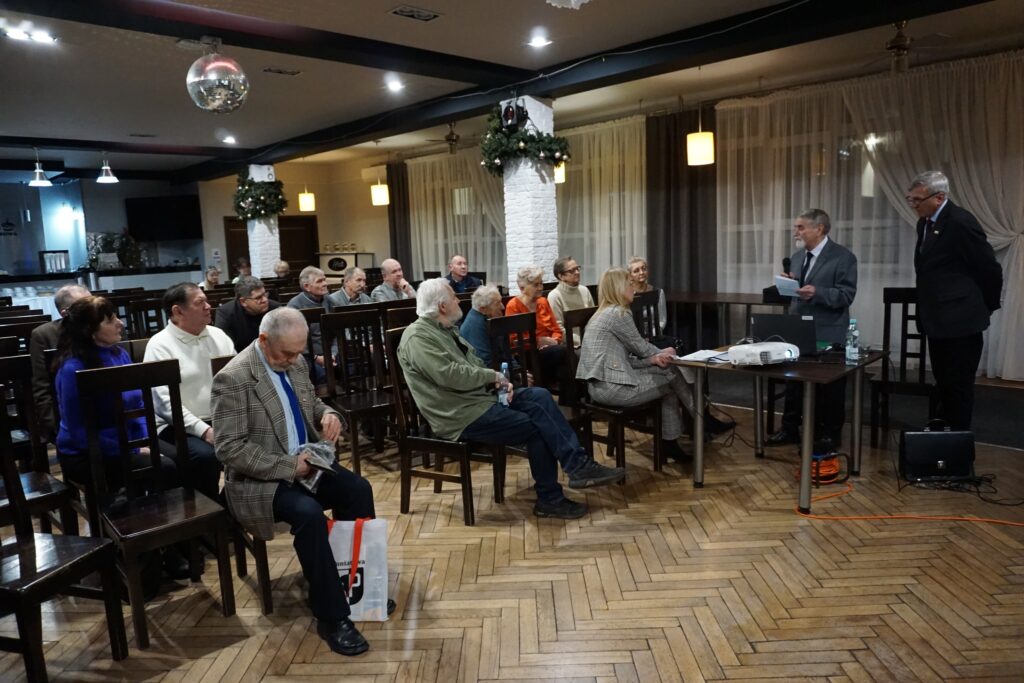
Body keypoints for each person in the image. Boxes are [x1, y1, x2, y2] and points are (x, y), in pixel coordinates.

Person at [210, 307, 377, 656]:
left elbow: (311, 403)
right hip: (259, 478)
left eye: (298, 352)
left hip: (305, 463)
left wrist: (328, 414)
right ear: (263, 340)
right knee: (309, 514)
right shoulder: (234, 378)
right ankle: (332, 616)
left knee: (358, 490)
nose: (293, 360)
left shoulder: (295, 361)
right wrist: (289, 466)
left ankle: (354, 584)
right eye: (286, 354)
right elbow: (229, 449)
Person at [397, 279, 625, 519]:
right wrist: (492, 376)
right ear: (442, 306)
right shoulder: (418, 338)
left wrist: (500, 382)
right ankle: (550, 499)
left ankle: (578, 465)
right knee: (537, 427)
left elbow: (474, 362)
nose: (458, 300)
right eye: (454, 297)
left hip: (479, 398)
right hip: (459, 415)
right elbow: (450, 376)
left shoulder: (445, 329)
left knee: (540, 395)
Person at [54, 295, 189, 585]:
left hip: (128, 441)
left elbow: (138, 405)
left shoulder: (118, 354)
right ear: (90, 331)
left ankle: (164, 540)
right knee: (161, 468)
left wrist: (144, 440)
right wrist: (133, 450)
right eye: (110, 319)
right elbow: (79, 432)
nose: (120, 323)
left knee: (179, 457)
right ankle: (145, 552)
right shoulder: (72, 368)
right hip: (87, 453)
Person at [908, 171, 1002, 430]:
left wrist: (986, 305)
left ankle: (959, 441)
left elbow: (989, 267)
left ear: (939, 197)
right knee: (944, 382)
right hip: (937, 318)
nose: (913, 205)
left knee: (958, 385)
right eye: (910, 199)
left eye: (918, 200)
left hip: (961, 319)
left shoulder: (960, 221)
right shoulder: (924, 223)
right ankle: (943, 435)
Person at [576, 268, 699, 464]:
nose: (633, 288)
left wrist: (653, 360)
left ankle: (685, 429)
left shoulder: (601, 314)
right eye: (629, 284)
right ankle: (697, 418)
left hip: (599, 387)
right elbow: (641, 348)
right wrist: (663, 353)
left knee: (666, 370)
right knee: (670, 375)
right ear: (618, 287)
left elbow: (623, 360)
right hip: (613, 388)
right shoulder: (618, 313)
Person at [767, 209, 857, 448]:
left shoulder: (843, 257)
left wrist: (818, 292)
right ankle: (790, 429)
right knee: (793, 382)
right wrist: (787, 285)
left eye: (800, 227)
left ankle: (830, 434)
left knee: (830, 387)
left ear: (819, 229)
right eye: (795, 227)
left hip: (828, 330)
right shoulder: (797, 257)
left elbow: (846, 295)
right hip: (799, 328)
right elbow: (796, 293)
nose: (795, 232)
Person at [143, 283, 235, 501]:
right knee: (206, 456)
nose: (208, 306)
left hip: (220, 419)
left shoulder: (218, 335)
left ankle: (231, 506)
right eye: (200, 302)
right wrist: (205, 431)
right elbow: (165, 403)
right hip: (176, 426)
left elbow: (239, 378)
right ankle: (207, 513)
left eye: (206, 301)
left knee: (263, 439)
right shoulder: (160, 345)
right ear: (178, 311)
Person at [29, 283, 89, 439]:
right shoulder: (44, 335)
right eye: (86, 307)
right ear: (66, 313)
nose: (95, 310)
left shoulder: (104, 329)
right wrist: (59, 429)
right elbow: (42, 389)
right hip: (65, 418)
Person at [505, 265, 568, 392]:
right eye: (535, 285)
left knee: (567, 354)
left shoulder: (543, 302)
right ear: (522, 288)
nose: (540, 288)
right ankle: (565, 394)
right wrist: (538, 341)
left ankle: (566, 394)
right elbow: (513, 340)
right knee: (565, 352)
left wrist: (554, 340)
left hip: (549, 348)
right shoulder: (513, 306)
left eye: (541, 283)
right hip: (526, 353)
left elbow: (556, 329)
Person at [287, 266, 333, 383]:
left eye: (324, 280)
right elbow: (295, 340)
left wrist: (333, 352)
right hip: (307, 356)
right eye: (319, 281)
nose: (325, 284)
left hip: (331, 351)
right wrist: (316, 358)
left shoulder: (330, 301)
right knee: (321, 375)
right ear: (307, 286)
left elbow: (337, 331)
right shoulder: (295, 306)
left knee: (354, 367)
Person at [215, 276, 281, 352]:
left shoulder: (276, 309)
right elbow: (226, 347)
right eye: (258, 298)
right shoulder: (225, 313)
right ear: (243, 301)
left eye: (265, 294)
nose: (265, 300)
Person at [546, 256, 595, 346]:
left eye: (577, 268)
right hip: (570, 345)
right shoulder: (554, 296)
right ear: (561, 276)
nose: (577, 272)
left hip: (589, 340)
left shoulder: (584, 290)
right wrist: (582, 342)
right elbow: (559, 329)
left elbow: (594, 319)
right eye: (571, 271)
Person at [627, 257, 667, 339]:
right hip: (631, 338)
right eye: (636, 271)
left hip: (653, 336)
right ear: (630, 276)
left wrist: (651, 335)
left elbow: (662, 321)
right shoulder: (626, 293)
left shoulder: (658, 292)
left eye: (644, 269)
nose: (641, 272)